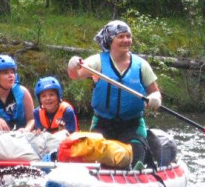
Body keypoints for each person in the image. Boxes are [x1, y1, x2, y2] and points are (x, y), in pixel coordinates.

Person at [67, 20, 162, 168]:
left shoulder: (141, 65)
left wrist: (155, 98)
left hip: (132, 125)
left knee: (137, 157)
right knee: (96, 157)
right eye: (121, 37)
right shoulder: (97, 61)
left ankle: (137, 171)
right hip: (103, 124)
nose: (126, 40)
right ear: (110, 40)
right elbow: (76, 74)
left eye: (128, 36)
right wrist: (72, 66)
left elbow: (155, 92)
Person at [0, 54, 35, 131]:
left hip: (23, 135)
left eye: (12, 72)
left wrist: (26, 129)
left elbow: (32, 119)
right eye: (5, 73)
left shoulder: (23, 92)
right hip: (1, 138)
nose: (11, 76)